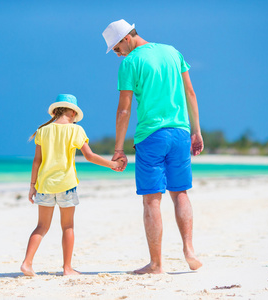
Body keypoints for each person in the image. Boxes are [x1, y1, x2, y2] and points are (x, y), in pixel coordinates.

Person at [102, 19, 204, 274]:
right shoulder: (172, 51)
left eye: (116, 48)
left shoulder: (130, 62)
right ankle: (189, 250)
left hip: (151, 135)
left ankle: (156, 264)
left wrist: (118, 148)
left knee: (151, 200)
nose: (117, 54)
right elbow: (190, 93)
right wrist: (197, 131)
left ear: (126, 38)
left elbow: (124, 108)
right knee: (180, 193)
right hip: (180, 132)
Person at [21, 94, 124, 276]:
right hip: (66, 185)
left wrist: (32, 186)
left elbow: (37, 161)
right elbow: (90, 156)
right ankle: (67, 268)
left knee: (41, 227)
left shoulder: (42, 130)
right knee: (67, 226)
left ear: (56, 111)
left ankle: (27, 263)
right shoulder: (76, 130)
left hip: (45, 185)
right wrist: (113, 165)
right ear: (71, 112)